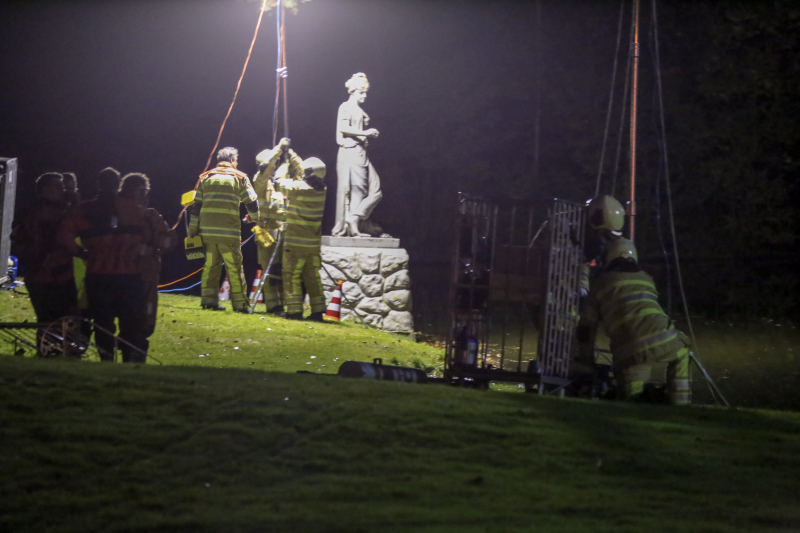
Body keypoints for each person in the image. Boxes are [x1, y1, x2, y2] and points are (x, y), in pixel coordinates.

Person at [576, 237, 692, 405]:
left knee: (631, 401)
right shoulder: (646, 279)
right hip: (665, 338)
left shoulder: (600, 283)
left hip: (629, 351)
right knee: (682, 353)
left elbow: (587, 326)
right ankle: (681, 404)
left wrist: (586, 361)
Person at [58, 167, 153, 363]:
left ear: (98, 184)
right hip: (129, 275)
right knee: (130, 323)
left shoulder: (83, 209)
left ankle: (107, 360)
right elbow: (154, 238)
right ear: (119, 184)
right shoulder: (135, 209)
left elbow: (63, 236)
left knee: (103, 323)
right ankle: (130, 360)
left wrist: (82, 253)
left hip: (98, 274)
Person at [11, 172, 76, 354]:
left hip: (59, 273)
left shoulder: (62, 210)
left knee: (62, 316)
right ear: (44, 190)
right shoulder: (37, 213)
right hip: (44, 274)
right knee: (49, 317)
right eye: (57, 186)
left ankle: (57, 352)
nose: (62, 190)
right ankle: (49, 353)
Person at [188, 147, 258, 313]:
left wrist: (193, 230)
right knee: (234, 267)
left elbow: (196, 206)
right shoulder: (240, 177)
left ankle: (208, 301)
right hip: (228, 233)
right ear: (232, 160)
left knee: (211, 266)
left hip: (207, 233)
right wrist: (255, 218)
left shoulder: (205, 177)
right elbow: (252, 202)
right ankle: (240, 305)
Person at [118, 173, 176, 337]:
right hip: (122, 271)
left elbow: (166, 241)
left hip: (146, 270)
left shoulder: (150, 215)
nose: (143, 195)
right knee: (128, 313)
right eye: (139, 191)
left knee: (145, 315)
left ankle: (136, 345)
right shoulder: (117, 211)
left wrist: (164, 240)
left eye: (145, 191)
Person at [252, 138, 302, 314]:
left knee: (284, 271)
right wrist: (279, 149)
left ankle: (285, 305)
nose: (274, 167)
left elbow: (303, 172)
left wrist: (291, 155)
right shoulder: (259, 181)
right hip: (266, 233)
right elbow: (265, 169)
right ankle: (274, 306)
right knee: (270, 272)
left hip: (283, 233)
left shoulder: (280, 185)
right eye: (273, 165)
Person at [331, 72, 384, 238]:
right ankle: (353, 227)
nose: (365, 96)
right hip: (351, 150)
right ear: (353, 91)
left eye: (366, 92)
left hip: (361, 152)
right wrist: (366, 133)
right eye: (362, 92)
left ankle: (355, 217)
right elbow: (342, 128)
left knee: (375, 190)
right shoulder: (345, 107)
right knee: (357, 190)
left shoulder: (358, 109)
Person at [277, 157, 328, 320]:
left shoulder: (299, 188)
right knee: (313, 277)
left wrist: (284, 165)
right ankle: (318, 311)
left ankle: (294, 311)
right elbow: (305, 174)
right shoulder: (322, 190)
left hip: (295, 244)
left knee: (291, 275)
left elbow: (277, 182)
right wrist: (292, 155)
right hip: (312, 246)